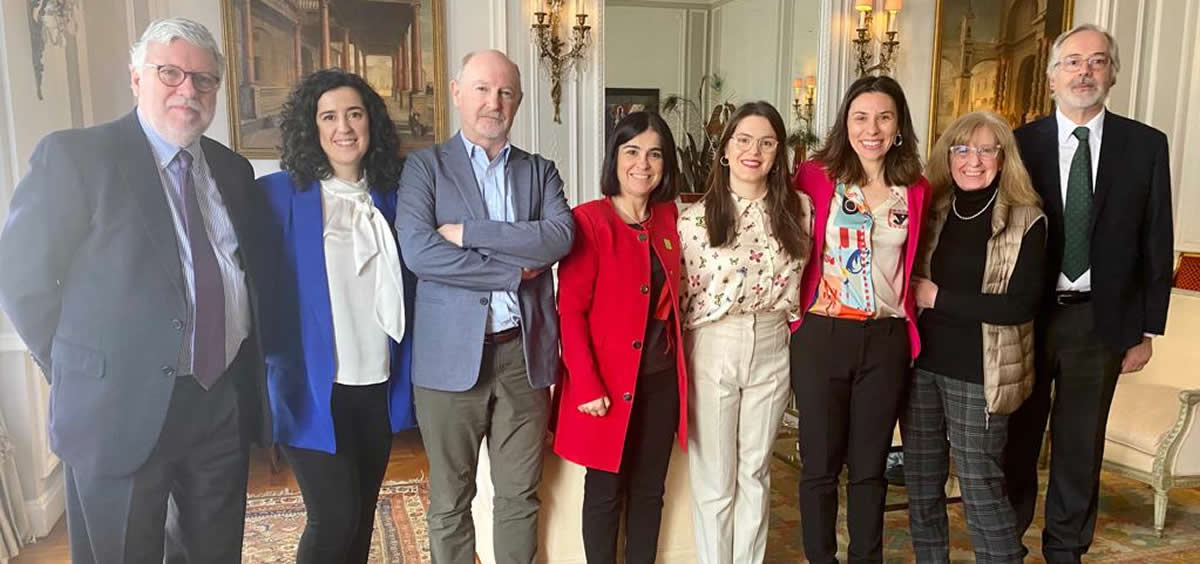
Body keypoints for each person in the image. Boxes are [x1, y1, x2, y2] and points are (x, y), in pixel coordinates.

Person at [0, 17, 270, 563]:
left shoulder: (233, 170)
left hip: (218, 399)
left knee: (215, 553)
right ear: (136, 77)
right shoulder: (77, 157)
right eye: (170, 73)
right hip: (115, 406)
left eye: (204, 79)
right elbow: (22, 277)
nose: (188, 90)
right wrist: (79, 368)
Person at [395, 49, 575, 564]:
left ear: (518, 101)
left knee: (520, 497)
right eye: (482, 89)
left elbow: (559, 237)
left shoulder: (539, 172)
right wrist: (512, 272)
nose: (493, 102)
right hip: (448, 361)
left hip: (523, 357)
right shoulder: (425, 168)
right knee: (451, 500)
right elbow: (420, 252)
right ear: (457, 93)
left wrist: (469, 233)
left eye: (505, 92)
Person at [1003, 24, 1174, 563]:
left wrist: (1147, 329)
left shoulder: (1145, 145)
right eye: (1072, 62)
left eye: (1097, 61)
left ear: (1112, 74)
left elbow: (1157, 238)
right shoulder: (1019, 144)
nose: (1085, 71)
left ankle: (1066, 549)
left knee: (1080, 447)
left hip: (1102, 320)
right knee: (1016, 440)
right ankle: (1004, 543)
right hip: (1028, 318)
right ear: (1052, 76)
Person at [256, 69, 414, 564]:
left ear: (371, 123)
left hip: (378, 382)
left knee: (361, 516)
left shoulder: (396, 195)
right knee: (334, 518)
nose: (343, 127)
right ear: (312, 126)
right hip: (311, 388)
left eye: (354, 114)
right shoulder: (279, 196)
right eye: (328, 117)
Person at [790, 74, 930, 564]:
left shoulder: (915, 189)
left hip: (886, 339)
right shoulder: (815, 175)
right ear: (845, 122)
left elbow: (916, 258)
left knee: (870, 469)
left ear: (899, 125)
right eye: (861, 117)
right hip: (822, 334)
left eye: (884, 118)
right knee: (820, 467)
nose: (872, 129)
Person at [903, 110, 1046, 563]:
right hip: (921, 365)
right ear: (948, 156)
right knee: (921, 485)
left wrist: (938, 297)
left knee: (980, 487)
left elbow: (1019, 307)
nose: (973, 160)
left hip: (980, 372)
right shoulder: (934, 210)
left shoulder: (1027, 220)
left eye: (986, 150)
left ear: (1004, 158)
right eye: (962, 149)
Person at [678, 101, 813, 564]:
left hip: (774, 342)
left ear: (778, 153)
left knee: (755, 473)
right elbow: (681, 295)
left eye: (766, 142)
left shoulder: (800, 210)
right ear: (725, 149)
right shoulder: (694, 219)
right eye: (744, 140)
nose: (753, 151)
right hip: (715, 343)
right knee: (716, 479)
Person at [552, 111, 688, 564]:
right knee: (605, 491)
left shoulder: (670, 218)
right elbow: (570, 312)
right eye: (632, 151)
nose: (642, 164)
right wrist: (586, 385)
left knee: (650, 492)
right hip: (606, 385)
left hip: (661, 381)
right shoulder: (589, 221)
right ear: (615, 158)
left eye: (655, 154)